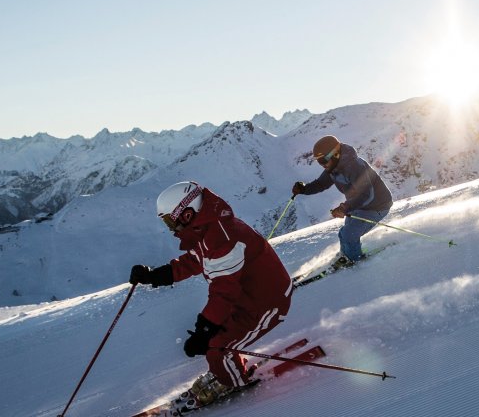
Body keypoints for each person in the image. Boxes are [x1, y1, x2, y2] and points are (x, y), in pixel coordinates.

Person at [129, 181, 293, 406]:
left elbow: (224, 292)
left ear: (186, 214)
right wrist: (154, 276)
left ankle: (233, 382)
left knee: (217, 347)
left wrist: (204, 332)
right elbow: (193, 261)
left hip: (267, 302)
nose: (170, 228)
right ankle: (225, 370)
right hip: (248, 297)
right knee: (215, 340)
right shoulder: (206, 229)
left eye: (169, 221)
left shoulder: (222, 238)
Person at [292, 135, 393, 268]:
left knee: (349, 234)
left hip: (377, 205)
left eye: (323, 160)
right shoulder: (333, 168)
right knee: (344, 233)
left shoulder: (354, 167)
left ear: (334, 154)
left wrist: (345, 207)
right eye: (318, 161)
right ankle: (346, 256)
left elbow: (367, 194)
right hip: (358, 205)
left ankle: (354, 263)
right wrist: (304, 189)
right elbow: (321, 184)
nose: (322, 165)